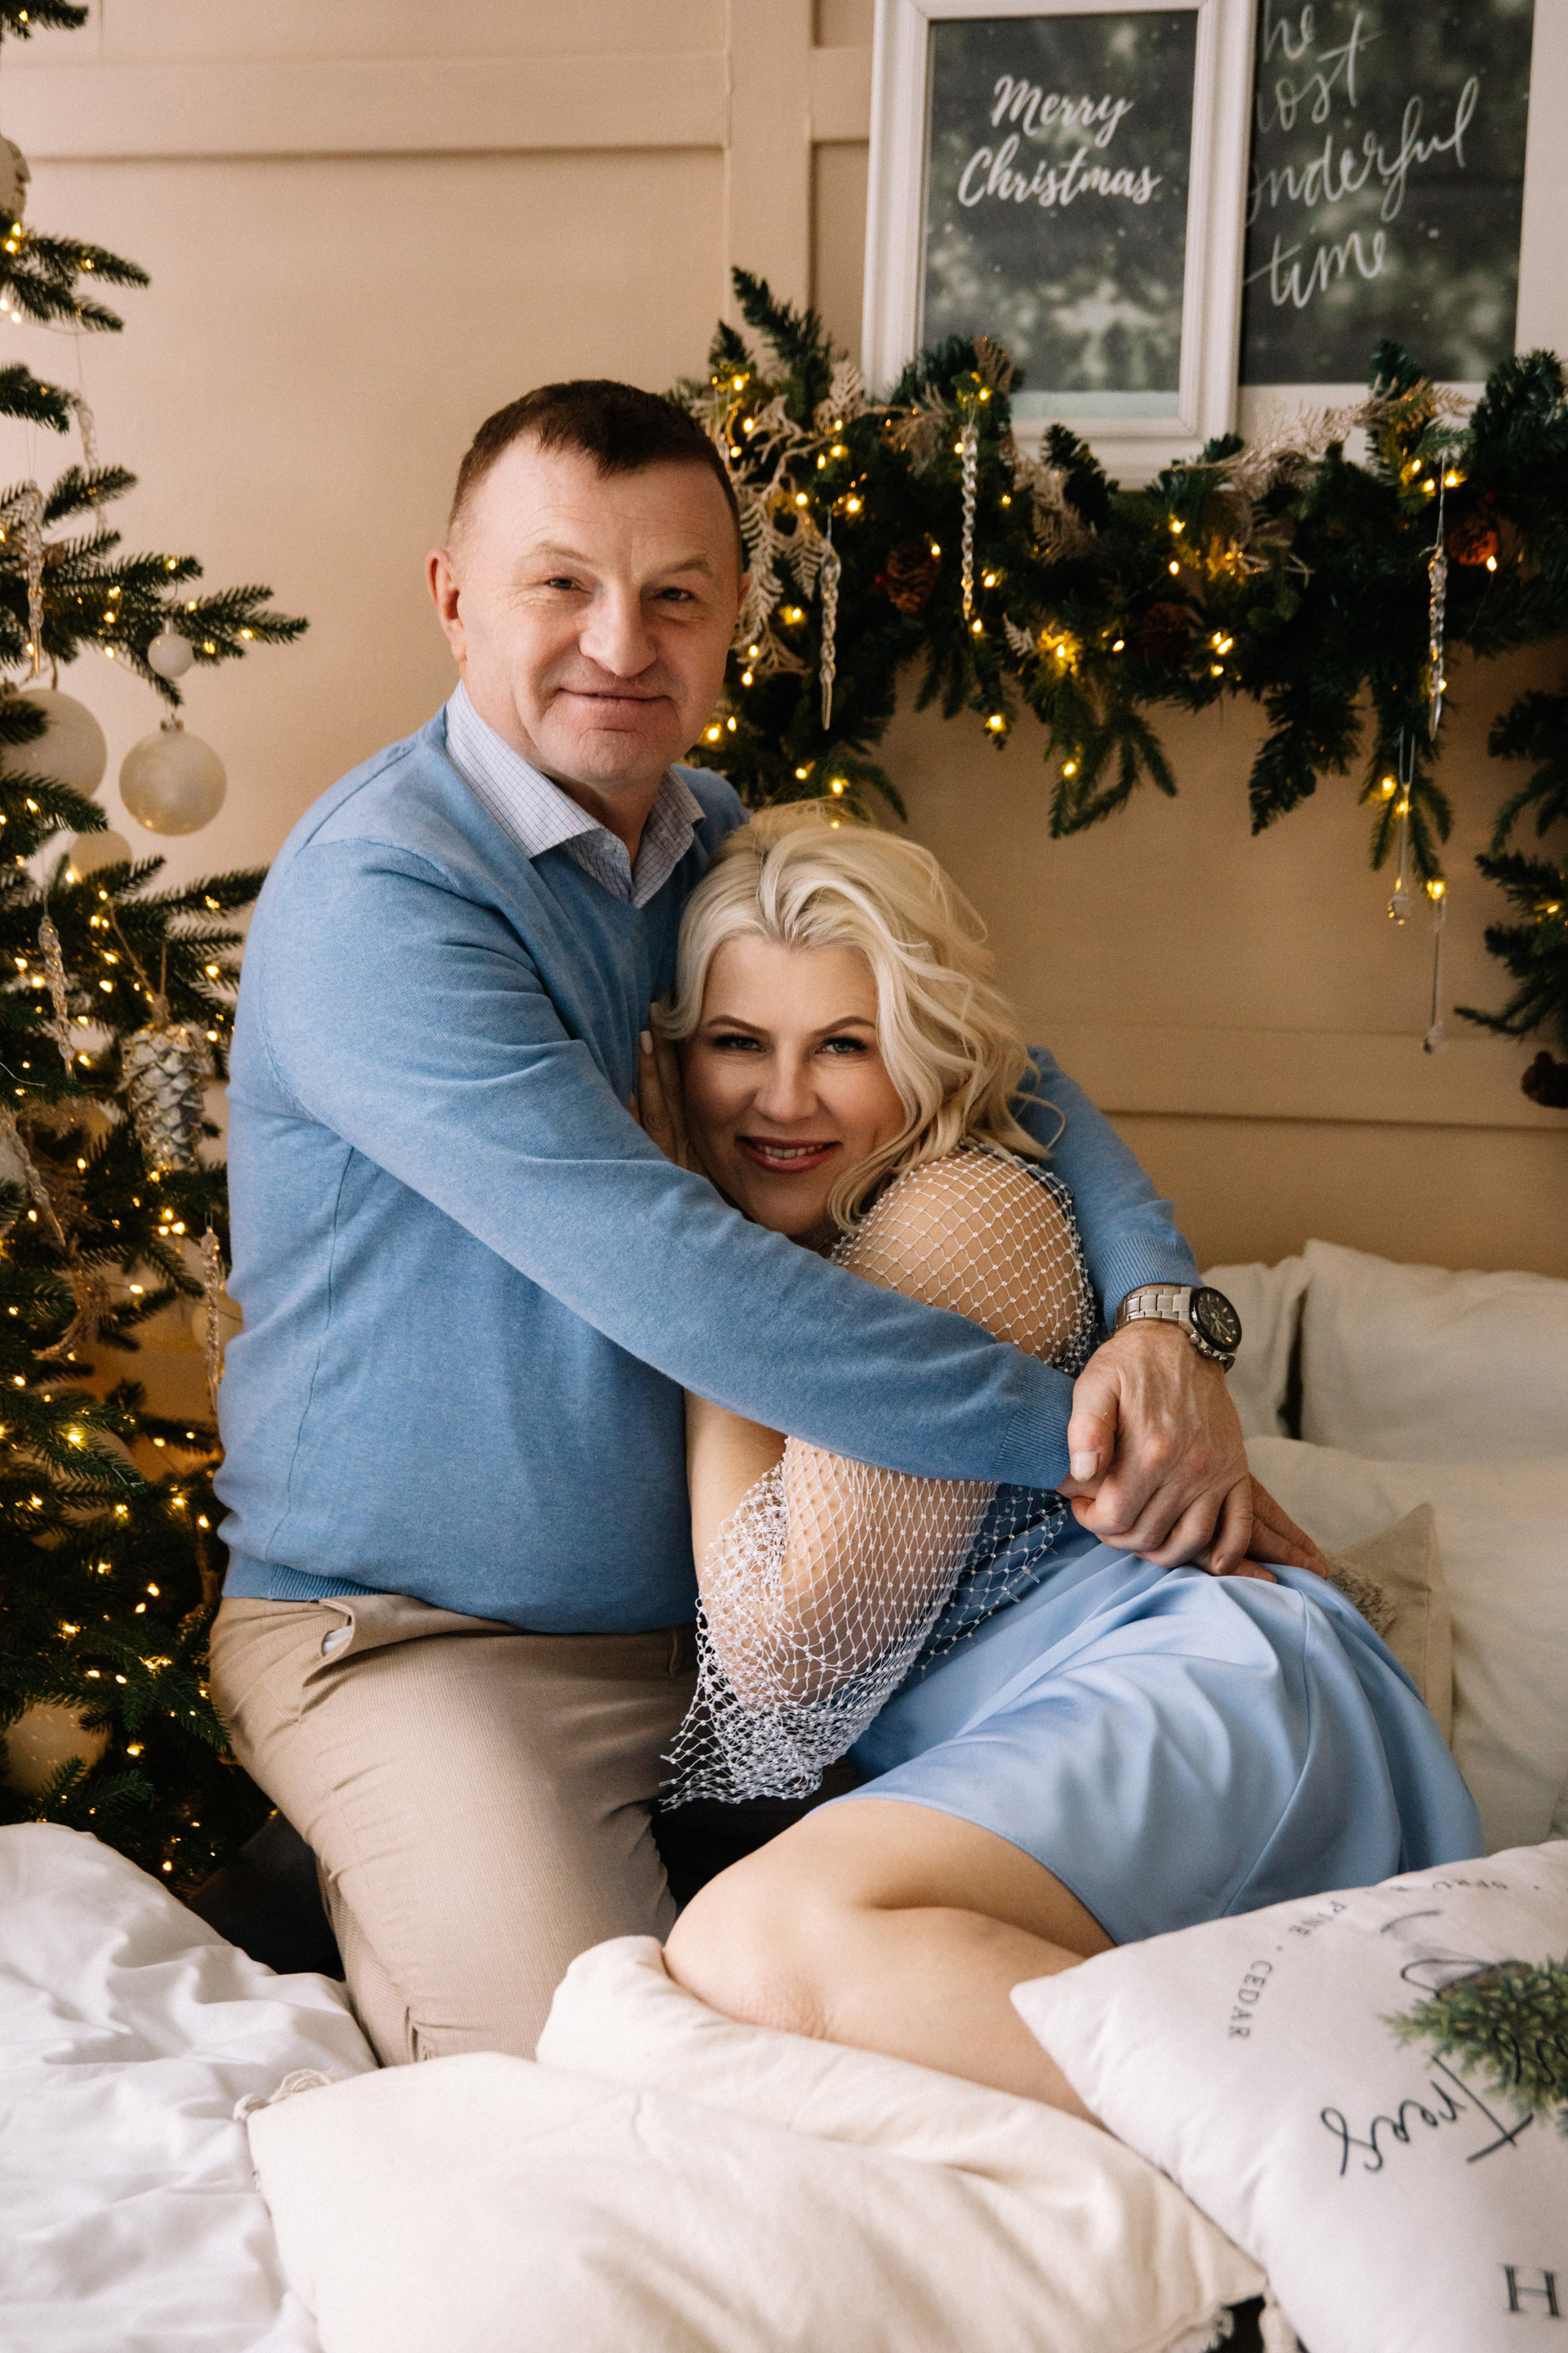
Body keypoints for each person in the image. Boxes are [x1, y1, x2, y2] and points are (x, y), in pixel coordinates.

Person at [210, 377, 1288, 2066]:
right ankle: (357, 1863)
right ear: (452, 598)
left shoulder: (711, 837)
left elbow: (1010, 1074)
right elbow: (676, 1276)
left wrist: (1165, 1321)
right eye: (561, 584)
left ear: (733, 621)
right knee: (593, 2084)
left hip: (734, 1650)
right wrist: (1098, 1448)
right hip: (421, 1644)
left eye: (676, 594)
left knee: (930, 2011)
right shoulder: (385, 895)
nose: (620, 643)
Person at [642, 812, 1484, 2112]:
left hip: (1182, 1687)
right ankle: (1318, 2130)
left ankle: (1335, 2143)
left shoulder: (955, 1216)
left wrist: (678, 1251)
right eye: (737, 1043)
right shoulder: (822, 1247)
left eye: (844, 1045)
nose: (784, 1098)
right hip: (1083, 1711)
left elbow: (779, 1657)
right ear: (676, 1054)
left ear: (923, 1056)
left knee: (755, 1942)